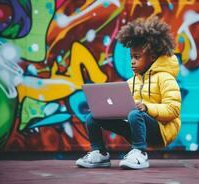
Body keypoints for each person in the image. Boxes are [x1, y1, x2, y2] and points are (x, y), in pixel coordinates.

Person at [76, 15, 181, 169]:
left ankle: (140, 153)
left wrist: (147, 107)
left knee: (135, 113)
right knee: (93, 117)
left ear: (152, 57)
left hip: (161, 131)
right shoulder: (131, 82)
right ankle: (99, 153)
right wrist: (105, 110)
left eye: (137, 57)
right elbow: (124, 109)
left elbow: (173, 110)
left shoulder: (166, 79)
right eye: (131, 57)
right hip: (137, 126)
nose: (132, 61)